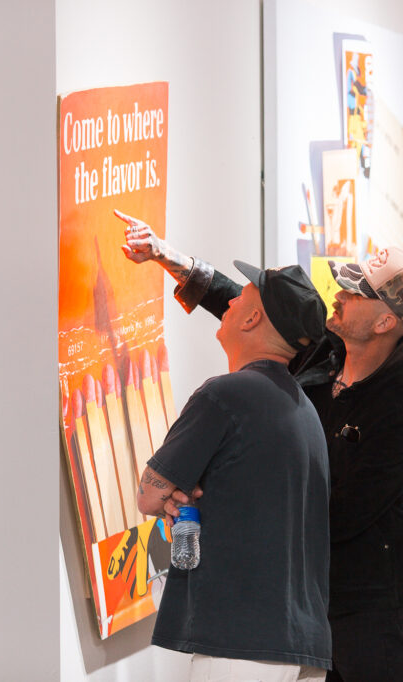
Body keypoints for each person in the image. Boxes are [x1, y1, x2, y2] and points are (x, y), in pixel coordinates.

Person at [118, 209, 403, 682]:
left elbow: (343, 513)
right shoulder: (327, 350)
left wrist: (233, 501)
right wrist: (170, 257)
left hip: (360, 604)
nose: (340, 295)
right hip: (294, 594)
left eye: (355, 292)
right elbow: (250, 308)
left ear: (386, 321)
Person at [133, 251, 332, 682]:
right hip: (301, 642)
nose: (229, 304)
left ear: (251, 320)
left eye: (240, 297)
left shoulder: (224, 396)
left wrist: (174, 494)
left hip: (239, 641)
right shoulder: (305, 412)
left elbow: (149, 495)